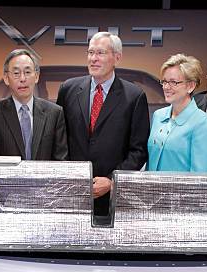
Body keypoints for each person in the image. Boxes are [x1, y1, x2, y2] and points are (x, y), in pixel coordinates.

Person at [56, 32, 149, 215]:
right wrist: (70, 176)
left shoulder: (134, 96)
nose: (93, 59)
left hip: (113, 198)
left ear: (117, 57)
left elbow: (138, 150)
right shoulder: (68, 89)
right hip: (72, 192)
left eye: (100, 53)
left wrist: (112, 180)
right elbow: (59, 139)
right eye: (90, 53)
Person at [0, 49, 67, 161]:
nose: (23, 79)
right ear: (6, 78)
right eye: (16, 73)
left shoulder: (55, 113)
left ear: (36, 76)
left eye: (27, 72)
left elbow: (61, 161)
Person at [147, 54, 207, 172]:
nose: (166, 87)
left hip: (181, 191)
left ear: (190, 86)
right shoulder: (158, 115)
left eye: (173, 82)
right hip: (151, 189)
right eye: (164, 81)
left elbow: (200, 176)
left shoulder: (203, 123)